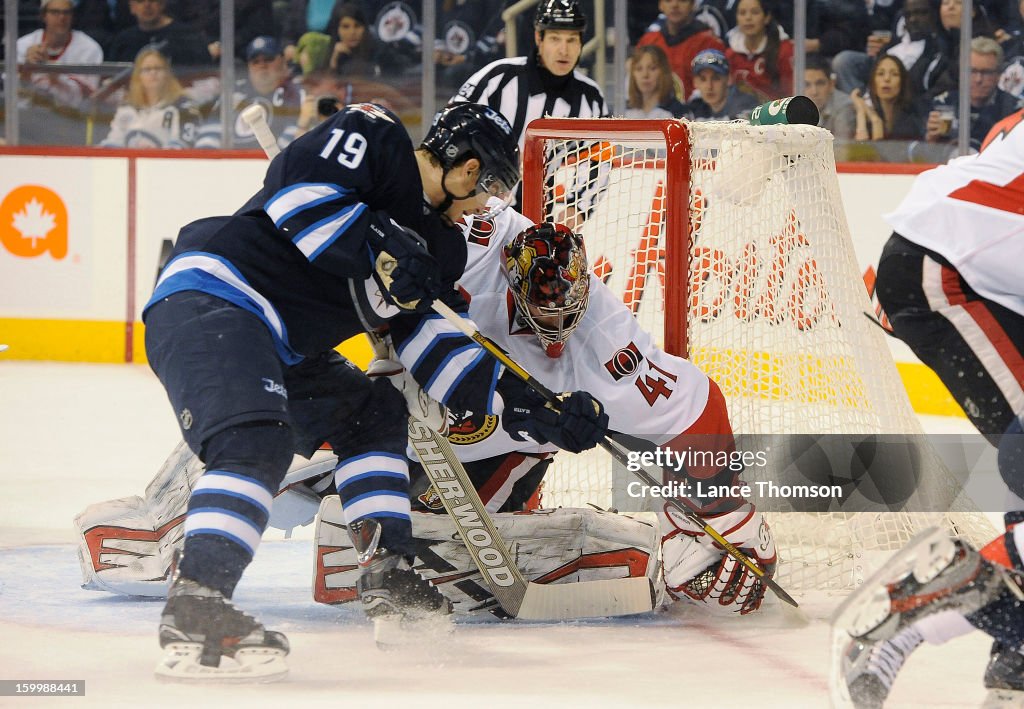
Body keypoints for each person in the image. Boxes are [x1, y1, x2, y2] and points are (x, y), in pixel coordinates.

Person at [77, 209, 779, 619]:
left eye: (568, 311)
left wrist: (728, 512)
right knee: (282, 433)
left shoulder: (607, 340)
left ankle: (393, 544)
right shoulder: (474, 241)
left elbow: (696, 405)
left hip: (468, 448)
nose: (556, 331)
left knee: (468, 485)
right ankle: (161, 529)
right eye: (538, 317)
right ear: (507, 275)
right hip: (389, 402)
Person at [140, 100, 610, 680]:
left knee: (372, 414)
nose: (484, 207)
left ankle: (389, 569)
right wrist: (377, 237)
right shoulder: (375, 134)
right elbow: (293, 193)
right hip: (216, 294)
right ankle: (197, 606)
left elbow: (438, 350)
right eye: (487, 190)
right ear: (466, 170)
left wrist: (532, 408)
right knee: (257, 442)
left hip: (286, 344)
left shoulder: (439, 249)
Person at [839, 111, 1024, 702]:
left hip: (946, 265)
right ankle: (912, 607)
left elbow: (998, 144)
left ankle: (1015, 643)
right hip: (945, 276)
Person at [451, 0, 608, 227]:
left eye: (572, 40)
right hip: (475, 207)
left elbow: (597, 160)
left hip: (538, 214)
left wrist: (577, 209)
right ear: (539, 38)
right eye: (555, 38)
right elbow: (452, 126)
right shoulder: (498, 79)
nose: (564, 50)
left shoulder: (590, 98)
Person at [194, 36, 305, 150]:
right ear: (249, 67)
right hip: (232, 164)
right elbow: (209, 136)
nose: (262, 65)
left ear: (282, 62)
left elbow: (296, 139)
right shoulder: (233, 94)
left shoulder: (297, 93)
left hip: (274, 163)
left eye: (268, 59)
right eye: (255, 61)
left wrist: (274, 163)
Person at [926, 37, 1024, 152]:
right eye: (972, 71)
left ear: (998, 74)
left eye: (986, 72)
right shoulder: (942, 103)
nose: (978, 79)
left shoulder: (1015, 110)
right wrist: (930, 140)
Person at [98, 47, 201, 148]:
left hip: (167, 163)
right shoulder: (127, 108)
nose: (153, 73)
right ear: (139, 76)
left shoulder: (183, 106)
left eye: (158, 68)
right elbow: (114, 142)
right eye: (147, 69)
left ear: (167, 74)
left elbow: (184, 145)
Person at [16, 0, 103, 111]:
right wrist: (26, 71)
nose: (62, 17)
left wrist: (53, 72)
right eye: (55, 12)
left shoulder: (90, 49)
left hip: (72, 121)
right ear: (43, 15)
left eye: (66, 12)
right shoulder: (22, 45)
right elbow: (13, 97)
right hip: (28, 119)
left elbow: (86, 100)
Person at [636, 0, 726, 101]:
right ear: (660, 5)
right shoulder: (648, 41)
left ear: (692, 5)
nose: (674, 5)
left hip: (695, 114)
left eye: (682, 0)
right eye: (668, 0)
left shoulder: (709, 44)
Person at [106, 0, 212, 68]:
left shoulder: (188, 36)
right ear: (132, 7)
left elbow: (204, 75)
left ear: (162, 4)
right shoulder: (123, 40)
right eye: (140, 1)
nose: (147, 5)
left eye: (152, 0)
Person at [724, 0, 793, 101]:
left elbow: (791, 95)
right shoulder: (730, 54)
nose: (748, 18)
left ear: (767, 17)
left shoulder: (784, 51)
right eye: (742, 13)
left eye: (755, 12)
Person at [850, 53, 926, 141]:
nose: (886, 79)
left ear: (902, 83)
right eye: (880, 74)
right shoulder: (867, 117)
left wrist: (876, 122)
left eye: (894, 74)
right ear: (873, 83)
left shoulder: (913, 118)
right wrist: (862, 113)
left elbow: (885, 152)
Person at [683, 47, 758, 120]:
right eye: (703, 79)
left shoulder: (745, 104)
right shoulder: (695, 107)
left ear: (729, 79)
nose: (709, 86)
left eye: (716, 78)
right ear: (695, 82)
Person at [624, 44, 688, 119]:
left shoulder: (678, 111)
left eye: (652, 68)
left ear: (663, 72)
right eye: (639, 69)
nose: (645, 75)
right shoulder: (623, 111)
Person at [804, 54, 856, 140]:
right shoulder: (793, 102)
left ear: (832, 84)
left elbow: (842, 147)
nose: (814, 92)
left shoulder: (844, 106)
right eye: (806, 85)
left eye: (820, 83)